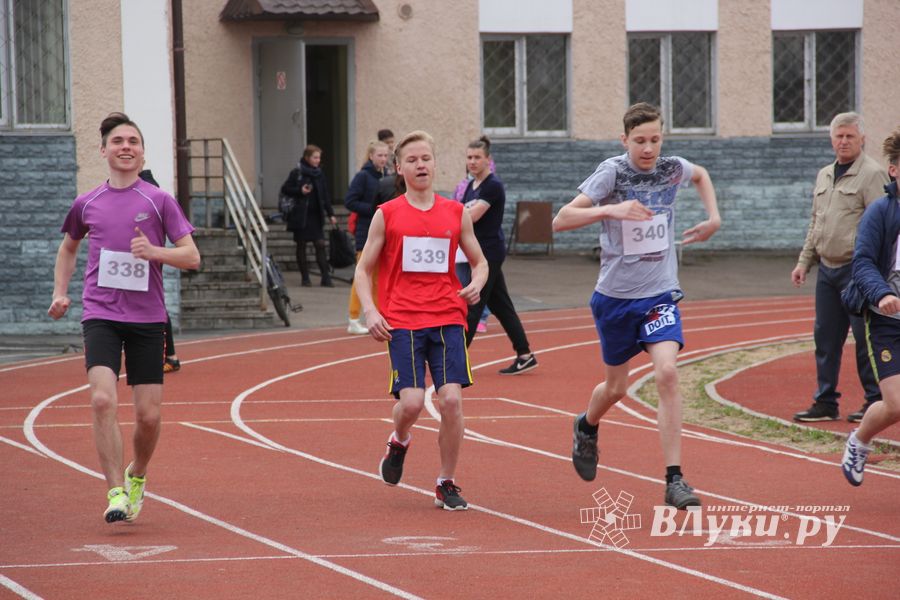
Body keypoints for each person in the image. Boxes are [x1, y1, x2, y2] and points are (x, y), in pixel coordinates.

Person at [553, 102, 720, 509]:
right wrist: (611, 208)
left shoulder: (671, 167)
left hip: (660, 293)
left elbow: (700, 174)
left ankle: (674, 480)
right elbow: (560, 219)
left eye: (655, 140)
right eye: (640, 141)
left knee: (667, 373)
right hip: (614, 298)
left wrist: (714, 218)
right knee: (616, 387)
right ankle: (587, 425)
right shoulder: (612, 171)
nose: (648, 149)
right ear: (624, 139)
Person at [48, 112, 200, 523]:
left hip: (148, 318)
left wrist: (156, 252)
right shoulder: (87, 202)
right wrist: (60, 293)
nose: (126, 146)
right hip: (100, 313)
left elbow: (192, 256)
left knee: (148, 417)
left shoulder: (158, 200)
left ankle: (137, 474)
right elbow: (68, 248)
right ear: (104, 150)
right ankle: (116, 491)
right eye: (118, 141)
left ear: (142, 151)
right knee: (102, 399)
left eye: (133, 140)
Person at [354, 130, 488, 511]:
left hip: (447, 316)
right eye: (412, 160)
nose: (420, 165)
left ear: (435, 163)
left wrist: (477, 283)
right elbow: (363, 271)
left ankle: (446, 481)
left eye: (426, 158)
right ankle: (399, 439)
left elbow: (480, 261)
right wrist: (371, 311)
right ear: (399, 168)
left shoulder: (455, 212)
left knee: (451, 401)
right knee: (411, 403)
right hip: (403, 321)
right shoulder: (388, 214)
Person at [791, 112, 889, 423]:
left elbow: (884, 224)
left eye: (849, 136)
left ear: (862, 139)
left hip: (858, 271)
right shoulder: (824, 174)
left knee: (864, 340)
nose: (843, 141)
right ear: (831, 139)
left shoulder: (873, 175)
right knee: (826, 337)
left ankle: (875, 400)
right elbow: (816, 223)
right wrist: (804, 261)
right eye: (839, 136)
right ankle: (825, 400)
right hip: (827, 270)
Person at [841, 127, 900, 486]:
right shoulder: (881, 212)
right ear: (894, 170)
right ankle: (860, 441)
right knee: (896, 404)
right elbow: (861, 262)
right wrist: (881, 294)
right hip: (887, 320)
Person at [462, 136, 536, 374]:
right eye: (469, 157)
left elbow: (472, 217)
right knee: (502, 306)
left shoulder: (492, 185)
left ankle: (456, 358)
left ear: (488, 160)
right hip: (475, 251)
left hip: (489, 253)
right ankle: (525, 354)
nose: (472, 162)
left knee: (474, 304)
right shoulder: (470, 186)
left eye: (477, 158)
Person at [137, 168, 181, 374]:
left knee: (155, 303)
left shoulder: (149, 187)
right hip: (138, 255)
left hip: (148, 255)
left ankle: (169, 355)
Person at [345, 141, 389, 334]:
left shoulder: (386, 177)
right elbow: (350, 201)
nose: (383, 159)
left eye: (386, 155)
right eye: (380, 155)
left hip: (382, 232)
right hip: (365, 232)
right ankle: (353, 317)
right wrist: (372, 210)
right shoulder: (363, 176)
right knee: (362, 275)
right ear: (371, 156)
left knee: (378, 278)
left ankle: (378, 314)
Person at [281, 145, 337, 287]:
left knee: (320, 244)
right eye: (315, 157)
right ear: (307, 158)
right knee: (301, 245)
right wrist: (300, 190)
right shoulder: (297, 172)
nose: (318, 160)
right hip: (300, 216)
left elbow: (325, 195)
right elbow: (286, 189)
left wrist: (330, 213)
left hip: (316, 216)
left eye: (319, 157)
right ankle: (305, 277)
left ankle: (325, 276)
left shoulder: (319, 174)